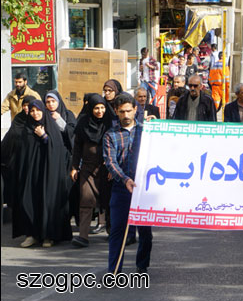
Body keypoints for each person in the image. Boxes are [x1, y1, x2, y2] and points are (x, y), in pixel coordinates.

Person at [12, 100, 72, 248]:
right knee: (29, 201)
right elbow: (23, 152)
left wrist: (45, 136)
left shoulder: (51, 127)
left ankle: (48, 236)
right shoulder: (26, 129)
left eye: (38, 110)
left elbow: (58, 148)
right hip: (31, 173)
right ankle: (31, 234)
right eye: (32, 111)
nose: (35, 113)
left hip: (48, 173)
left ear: (43, 111)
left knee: (47, 202)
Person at [103, 93, 152, 273]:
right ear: (116, 111)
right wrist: (125, 180)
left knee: (145, 233)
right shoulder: (111, 135)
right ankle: (114, 271)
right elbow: (110, 162)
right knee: (118, 231)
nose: (125, 115)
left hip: (143, 189)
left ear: (135, 110)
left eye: (129, 111)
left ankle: (142, 266)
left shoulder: (147, 131)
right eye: (122, 111)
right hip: (121, 188)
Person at [70, 94, 112, 247]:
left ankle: (111, 231)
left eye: (102, 107)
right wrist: (74, 167)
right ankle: (83, 236)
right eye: (96, 108)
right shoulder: (83, 124)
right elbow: (77, 148)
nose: (100, 111)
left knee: (108, 201)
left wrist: (112, 168)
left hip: (107, 169)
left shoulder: (110, 123)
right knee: (86, 200)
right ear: (91, 109)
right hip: (87, 168)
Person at [1, 96, 36, 210]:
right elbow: (11, 135)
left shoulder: (37, 119)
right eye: (24, 105)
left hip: (30, 158)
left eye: (28, 105)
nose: (26, 108)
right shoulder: (19, 118)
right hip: (15, 157)